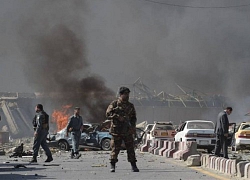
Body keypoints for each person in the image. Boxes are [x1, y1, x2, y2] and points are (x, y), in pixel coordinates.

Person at [106, 87, 139, 172]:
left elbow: (133, 117)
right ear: (121, 94)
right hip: (116, 131)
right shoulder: (114, 104)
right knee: (115, 149)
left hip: (127, 131)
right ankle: (112, 165)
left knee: (130, 149)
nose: (127, 96)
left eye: (128, 94)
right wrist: (117, 117)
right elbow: (108, 114)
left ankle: (133, 165)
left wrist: (132, 126)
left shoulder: (130, 106)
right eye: (125, 94)